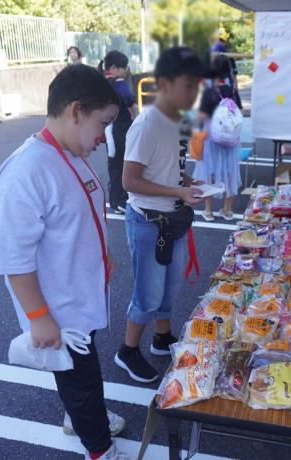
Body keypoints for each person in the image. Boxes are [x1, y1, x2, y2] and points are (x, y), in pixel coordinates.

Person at [0, 64, 130, 460]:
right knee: (80, 378)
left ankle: (79, 417)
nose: (104, 137)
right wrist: (38, 315)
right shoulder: (27, 171)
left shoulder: (71, 152)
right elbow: (13, 259)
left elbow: (79, 217)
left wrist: (103, 256)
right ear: (75, 111)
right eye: (102, 123)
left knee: (79, 372)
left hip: (79, 295)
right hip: (58, 308)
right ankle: (100, 449)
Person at [114, 47, 208, 383]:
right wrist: (178, 192)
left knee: (171, 286)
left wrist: (187, 181)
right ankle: (127, 350)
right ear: (165, 84)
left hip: (173, 217)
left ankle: (162, 338)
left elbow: (169, 165)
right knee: (148, 293)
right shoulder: (147, 123)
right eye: (188, 84)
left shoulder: (178, 119)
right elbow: (130, 180)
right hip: (147, 221)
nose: (194, 92)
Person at [193, 54, 242, 221]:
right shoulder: (232, 91)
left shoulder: (208, 92)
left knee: (209, 173)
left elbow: (201, 117)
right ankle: (227, 210)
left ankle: (208, 211)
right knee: (229, 173)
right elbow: (238, 112)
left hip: (211, 140)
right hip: (229, 141)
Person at [98, 51, 139, 214]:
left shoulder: (101, 82)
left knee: (114, 167)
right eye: (124, 67)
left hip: (108, 130)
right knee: (124, 165)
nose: (126, 71)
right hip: (121, 129)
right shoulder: (119, 81)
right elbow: (130, 99)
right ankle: (121, 200)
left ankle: (115, 201)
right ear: (114, 68)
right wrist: (137, 120)